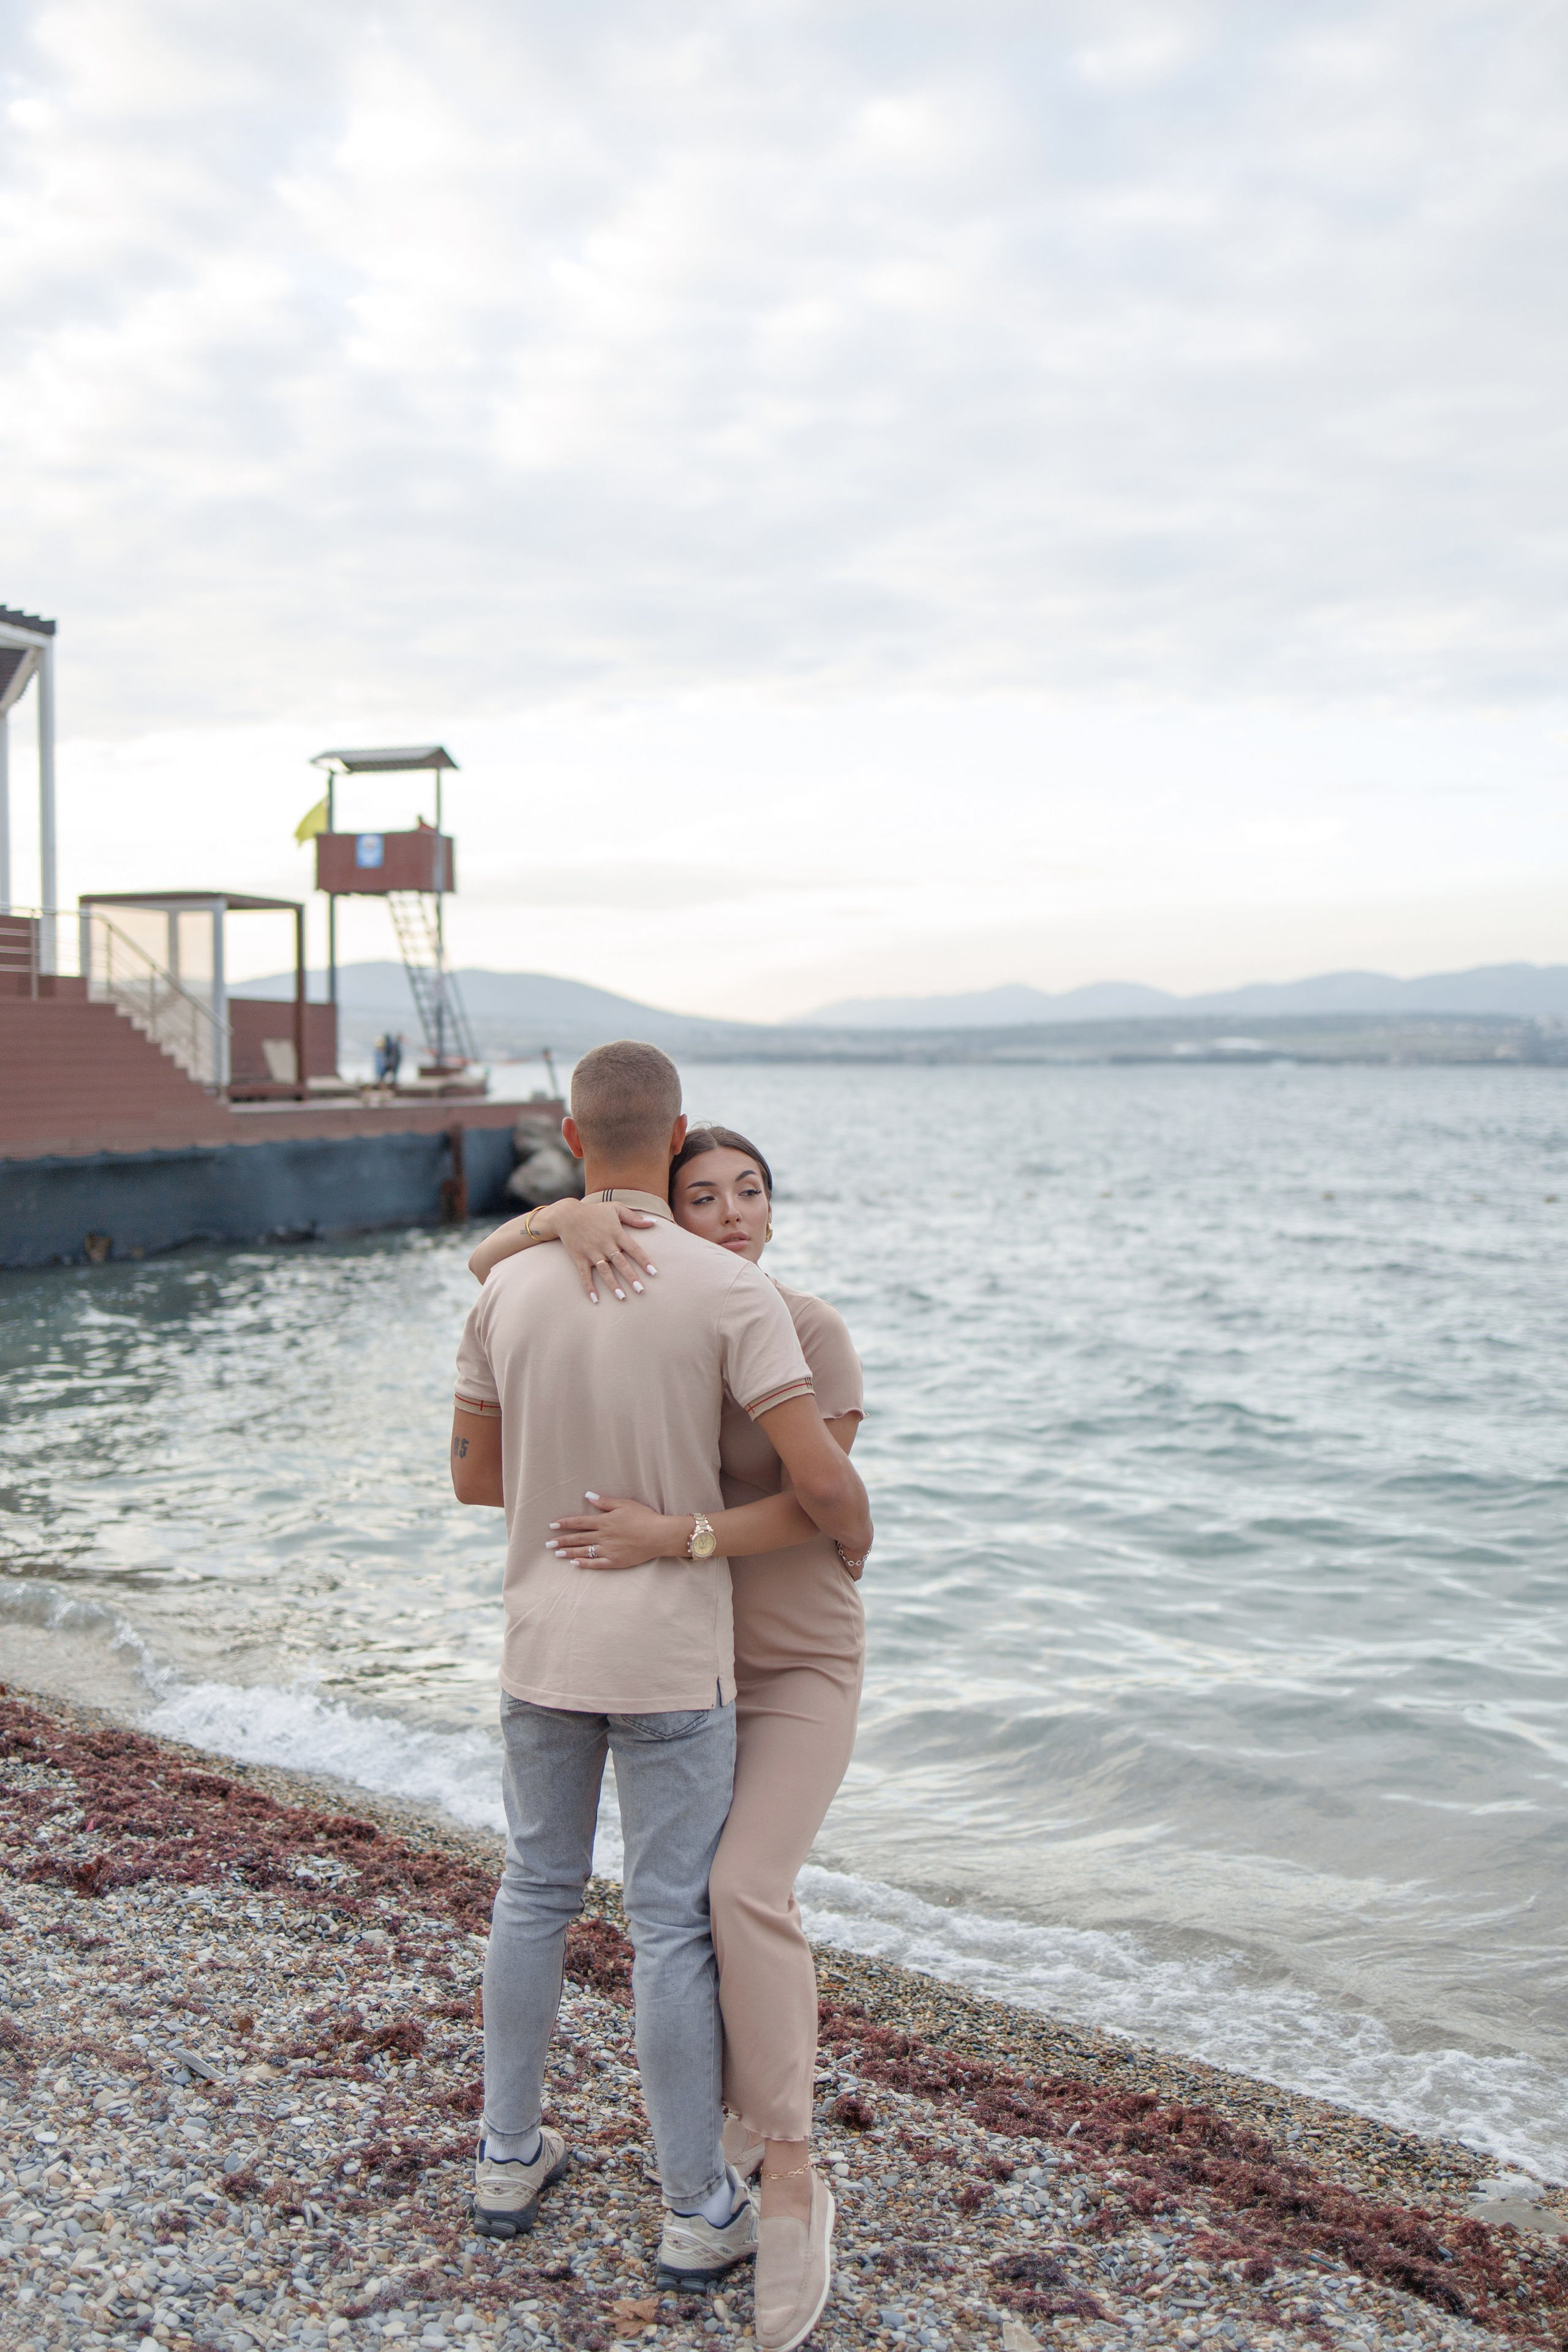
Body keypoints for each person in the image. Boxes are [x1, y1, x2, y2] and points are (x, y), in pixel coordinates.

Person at [450, 1044, 872, 2325]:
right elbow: (819, 1488)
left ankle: (507, 2160)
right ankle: (697, 2210)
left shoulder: (506, 1286)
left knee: (532, 1893)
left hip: (540, 1640)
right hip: (673, 1656)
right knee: (670, 1924)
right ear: (674, 1138)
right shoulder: (726, 1297)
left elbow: (474, 1480)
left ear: (569, 1141)